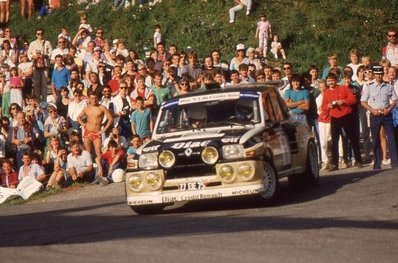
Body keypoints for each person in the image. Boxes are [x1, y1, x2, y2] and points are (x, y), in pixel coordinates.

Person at [321, 72, 363, 171]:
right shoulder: (326, 92)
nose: (330, 82)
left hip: (346, 115)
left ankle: (358, 160)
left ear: (336, 80)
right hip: (334, 117)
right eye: (328, 81)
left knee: (352, 138)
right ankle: (335, 164)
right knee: (334, 141)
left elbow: (353, 99)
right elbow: (323, 106)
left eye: (332, 80)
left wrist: (343, 101)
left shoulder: (343, 88)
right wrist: (328, 106)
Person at [361, 65, 398, 170]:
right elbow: (363, 101)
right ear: (374, 74)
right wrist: (372, 110)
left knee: (391, 138)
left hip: (386, 114)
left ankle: (395, 163)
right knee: (376, 138)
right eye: (377, 74)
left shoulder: (388, 86)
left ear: (383, 74)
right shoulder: (369, 86)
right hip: (375, 115)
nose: (379, 76)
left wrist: (389, 109)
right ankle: (377, 163)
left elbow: (394, 99)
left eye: (381, 74)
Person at [77, 91, 113, 159]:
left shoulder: (101, 107)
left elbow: (110, 119)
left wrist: (103, 130)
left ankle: (100, 168)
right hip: (88, 132)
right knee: (87, 152)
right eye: (92, 98)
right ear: (89, 99)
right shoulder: (86, 108)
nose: (94, 100)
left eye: (95, 98)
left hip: (97, 133)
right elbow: (78, 118)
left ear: (98, 98)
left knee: (98, 152)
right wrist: (83, 124)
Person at [27, 28, 53, 103]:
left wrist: (44, 55)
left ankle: (44, 101)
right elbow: (29, 53)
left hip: (44, 64)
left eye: (41, 33)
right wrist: (33, 56)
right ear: (36, 35)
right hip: (36, 65)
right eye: (38, 34)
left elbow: (50, 53)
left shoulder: (47, 42)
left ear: (43, 34)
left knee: (44, 83)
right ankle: (38, 100)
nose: (40, 35)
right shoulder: (32, 43)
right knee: (36, 83)